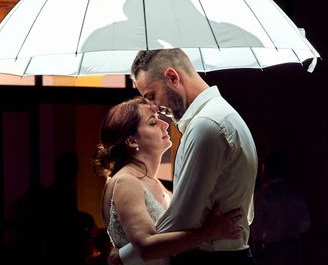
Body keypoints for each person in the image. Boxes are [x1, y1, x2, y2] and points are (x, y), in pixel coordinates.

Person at [109, 49, 258, 265]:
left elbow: (180, 220)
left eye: (151, 95)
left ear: (172, 77)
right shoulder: (222, 115)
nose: (155, 108)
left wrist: (125, 256)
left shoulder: (207, 126)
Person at [94, 96, 243, 265]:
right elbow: (147, 247)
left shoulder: (155, 183)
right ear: (131, 140)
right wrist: (208, 233)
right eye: (152, 122)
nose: (164, 124)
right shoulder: (127, 181)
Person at [251, 151, 311, 265]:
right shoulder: (296, 194)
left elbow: (257, 229)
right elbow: (305, 227)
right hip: (293, 249)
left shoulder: (261, 196)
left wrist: (257, 254)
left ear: (266, 169)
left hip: (271, 251)